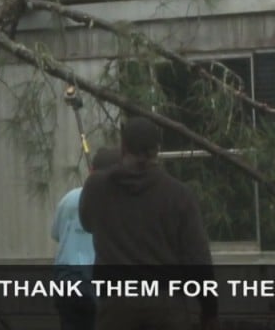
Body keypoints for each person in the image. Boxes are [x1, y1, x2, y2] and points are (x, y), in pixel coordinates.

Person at [79, 117, 219, 330]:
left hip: (116, 308)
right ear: (157, 150)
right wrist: (209, 311)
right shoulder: (178, 194)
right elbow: (197, 259)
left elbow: (88, 224)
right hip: (166, 308)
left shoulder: (97, 187)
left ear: (123, 147)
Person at [52, 147, 123, 330]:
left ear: (91, 171)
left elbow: (56, 234)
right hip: (95, 285)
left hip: (65, 281)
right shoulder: (118, 203)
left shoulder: (69, 198)